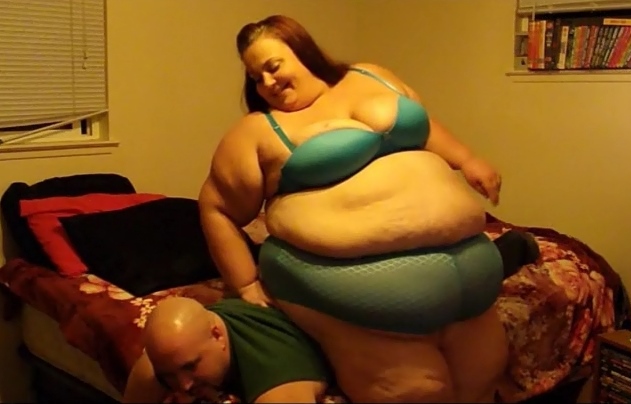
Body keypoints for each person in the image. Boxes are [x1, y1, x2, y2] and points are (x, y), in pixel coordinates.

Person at [198, 14, 538, 403]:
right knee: (420, 390)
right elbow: (216, 207)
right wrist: (245, 284)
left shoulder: (371, 75)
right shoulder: (258, 130)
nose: (267, 82)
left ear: (302, 52)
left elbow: (425, 127)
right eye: (256, 77)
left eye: (273, 66)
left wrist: (466, 159)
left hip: (468, 282)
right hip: (356, 301)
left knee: (481, 374)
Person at [121, 297, 331, 403]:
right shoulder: (175, 353)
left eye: (190, 367)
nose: (184, 385)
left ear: (217, 335)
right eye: (168, 375)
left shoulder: (278, 386)